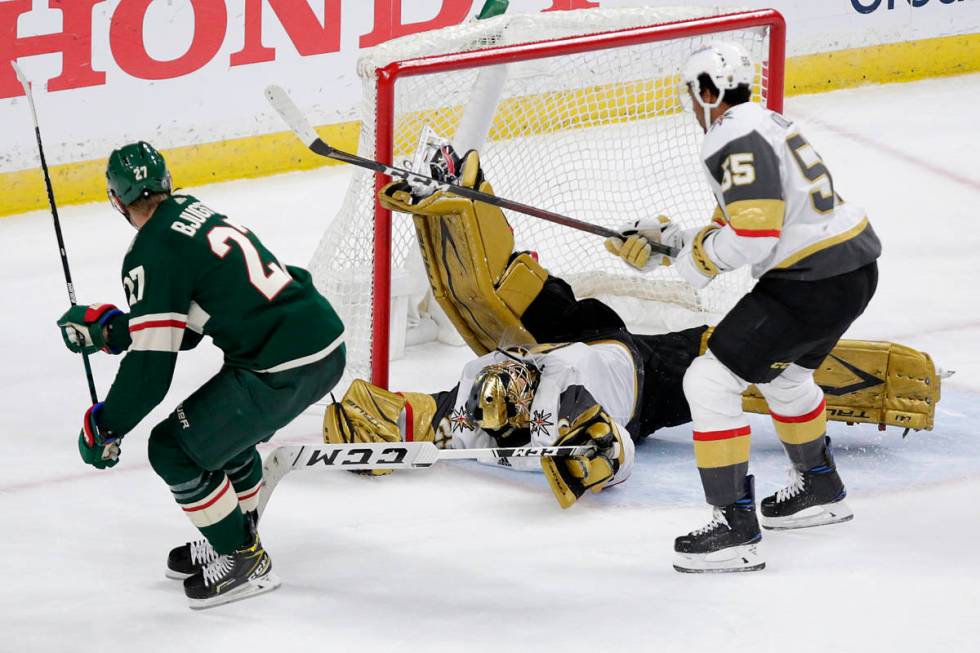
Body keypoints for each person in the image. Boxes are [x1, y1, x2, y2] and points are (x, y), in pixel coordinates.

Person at [326, 147, 929, 517]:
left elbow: (412, 418)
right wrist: (598, 459)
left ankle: (458, 192)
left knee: (497, 295)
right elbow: (618, 454)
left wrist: (368, 417)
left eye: (506, 371)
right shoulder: (551, 409)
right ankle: (856, 380)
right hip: (646, 379)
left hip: (577, 337)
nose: (504, 368)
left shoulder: (478, 389)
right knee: (733, 356)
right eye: (509, 379)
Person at [604, 42, 882, 572]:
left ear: (709, 91)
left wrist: (693, 260)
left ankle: (733, 528)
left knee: (708, 382)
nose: (691, 104)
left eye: (693, 93)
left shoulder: (730, 136)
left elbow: (754, 236)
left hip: (809, 280)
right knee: (787, 379)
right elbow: (749, 221)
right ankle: (820, 489)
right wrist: (672, 242)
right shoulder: (764, 121)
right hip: (852, 268)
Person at [56, 142, 346, 608]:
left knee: (173, 449)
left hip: (278, 367)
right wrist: (112, 329)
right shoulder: (192, 212)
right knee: (224, 439)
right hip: (320, 344)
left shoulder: (150, 252)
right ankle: (235, 533)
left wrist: (106, 425)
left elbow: (152, 374)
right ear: (167, 182)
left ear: (116, 201)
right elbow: (188, 325)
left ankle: (244, 558)